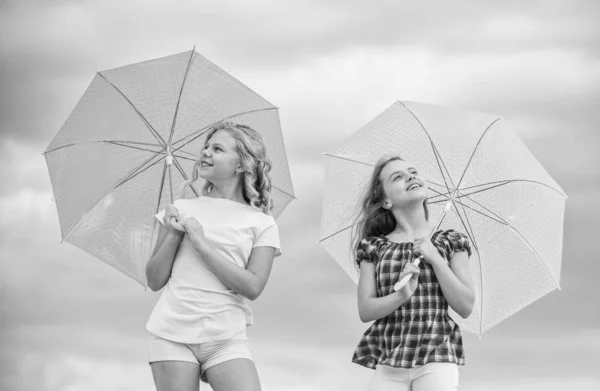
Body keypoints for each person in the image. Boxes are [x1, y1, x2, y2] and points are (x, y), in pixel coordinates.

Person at [145, 122, 281, 391]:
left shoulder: (261, 223)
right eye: (206, 147)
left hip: (226, 337)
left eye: (217, 149)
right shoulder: (180, 209)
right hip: (172, 333)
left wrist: (201, 244)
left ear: (241, 164)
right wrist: (174, 234)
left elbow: (253, 286)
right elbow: (154, 279)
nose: (206, 152)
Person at [352, 155, 475, 391]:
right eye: (397, 177)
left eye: (412, 171)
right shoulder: (374, 247)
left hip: (437, 354)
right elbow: (365, 310)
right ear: (386, 201)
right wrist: (401, 295)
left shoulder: (450, 241)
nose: (410, 176)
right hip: (390, 359)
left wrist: (436, 259)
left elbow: (465, 305)